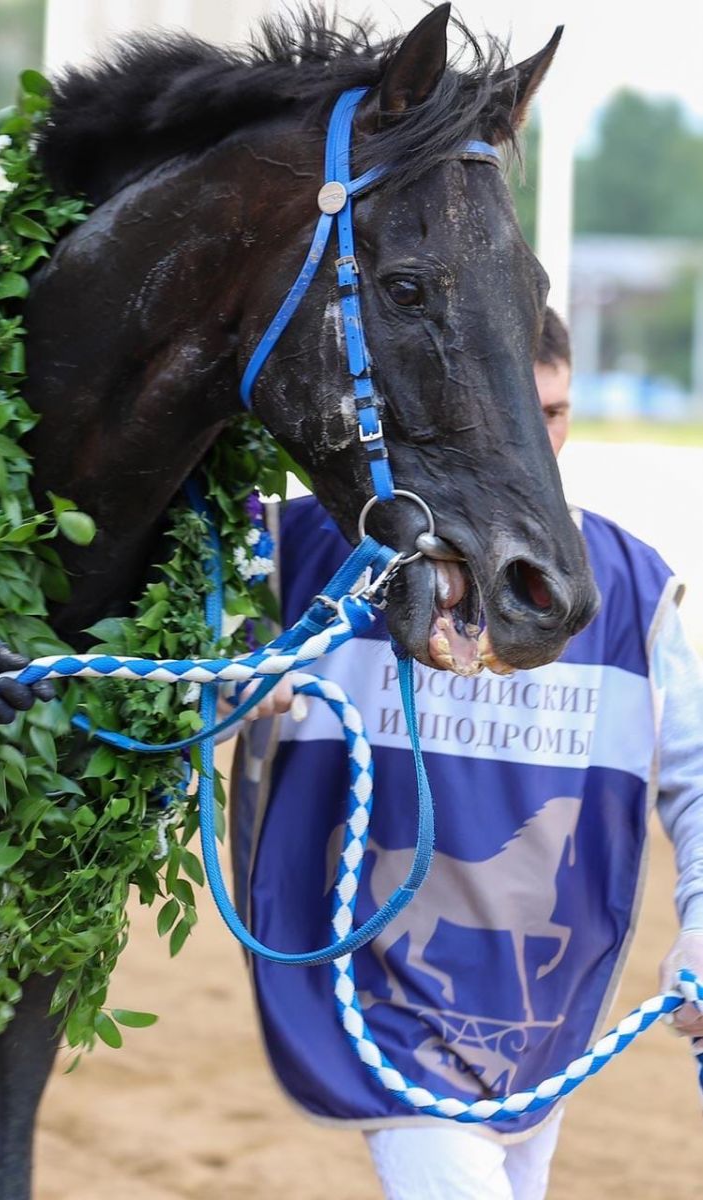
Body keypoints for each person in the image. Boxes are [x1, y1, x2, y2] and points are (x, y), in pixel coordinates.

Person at [229, 309, 703, 1200]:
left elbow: (694, 774)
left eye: (554, 415)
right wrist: (232, 690)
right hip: (374, 985)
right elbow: (192, 694)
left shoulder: (634, 587)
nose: (538, 443)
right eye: (517, 416)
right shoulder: (308, 557)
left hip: (540, 1004)